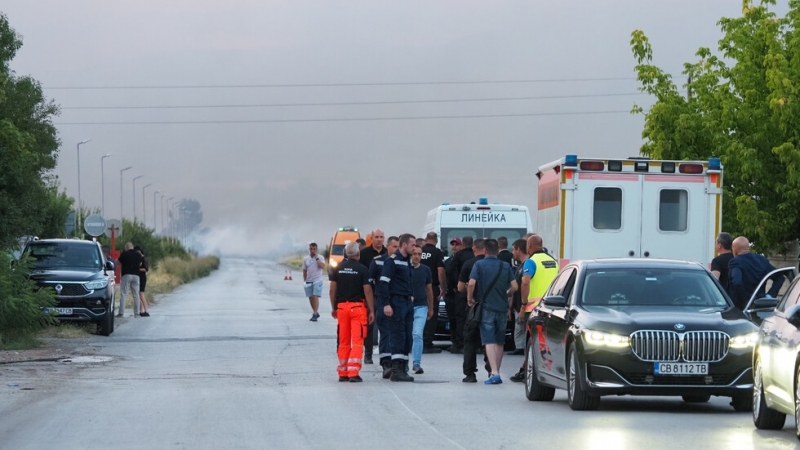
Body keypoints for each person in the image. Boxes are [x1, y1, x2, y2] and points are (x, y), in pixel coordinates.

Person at [468, 238, 517, 384]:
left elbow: (471, 283)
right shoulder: (505, 266)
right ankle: (497, 371)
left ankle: (494, 372)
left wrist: (470, 298)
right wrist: (507, 293)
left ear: (484, 250)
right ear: (497, 250)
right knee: (500, 341)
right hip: (502, 307)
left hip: (487, 307)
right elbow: (515, 286)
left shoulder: (479, 264)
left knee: (488, 340)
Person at [329, 242, 375, 382]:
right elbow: (367, 290)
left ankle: (342, 372)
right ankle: (353, 372)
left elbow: (332, 290)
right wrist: (371, 310)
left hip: (342, 308)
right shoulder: (362, 269)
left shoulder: (338, 268)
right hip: (357, 308)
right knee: (357, 340)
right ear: (358, 253)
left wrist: (334, 307)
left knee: (343, 340)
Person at [377, 233, 416, 382]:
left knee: (407, 336)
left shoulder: (407, 261)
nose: (414, 247)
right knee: (398, 336)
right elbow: (383, 284)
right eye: (412, 245)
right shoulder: (392, 261)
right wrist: (386, 304)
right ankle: (396, 370)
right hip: (396, 302)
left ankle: (403, 368)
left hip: (407, 302)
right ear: (404, 244)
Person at [728, 236, 786, 310]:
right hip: (760, 306)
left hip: (741, 309)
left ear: (735, 251)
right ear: (749, 248)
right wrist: (769, 296)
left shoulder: (735, 262)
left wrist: (745, 303)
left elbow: (736, 282)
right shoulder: (762, 260)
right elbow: (780, 277)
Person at [369, 236, 399, 378]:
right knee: (385, 333)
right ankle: (386, 364)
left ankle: (398, 363)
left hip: (398, 301)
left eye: (398, 246)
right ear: (388, 246)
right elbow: (370, 281)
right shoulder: (378, 261)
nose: (396, 249)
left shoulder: (402, 261)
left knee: (398, 334)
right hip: (382, 301)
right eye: (394, 246)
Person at [459, 238, 487, 382]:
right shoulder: (496, 264)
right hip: (490, 306)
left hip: (473, 307)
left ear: (474, 250)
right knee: (489, 339)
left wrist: (469, 297)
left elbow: (461, 286)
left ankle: (470, 373)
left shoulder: (469, 264)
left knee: (470, 339)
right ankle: (491, 369)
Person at [359, 229, 388, 365]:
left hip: (384, 294)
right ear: (372, 238)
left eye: (381, 237)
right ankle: (368, 354)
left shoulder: (387, 253)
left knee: (385, 325)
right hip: (369, 293)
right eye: (376, 237)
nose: (379, 239)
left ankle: (386, 354)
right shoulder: (364, 253)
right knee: (370, 325)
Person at [420, 231, 445, 353]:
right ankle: (427, 343)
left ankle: (419, 341)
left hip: (418, 287)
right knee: (431, 313)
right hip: (432, 287)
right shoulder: (437, 252)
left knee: (419, 313)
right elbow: (440, 271)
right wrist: (443, 287)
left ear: (426, 239)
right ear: (435, 240)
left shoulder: (420, 251)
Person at [509, 238, 531, 381]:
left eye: (513, 249)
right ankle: (525, 369)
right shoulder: (522, 266)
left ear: (518, 249)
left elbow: (523, 285)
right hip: (522, 307)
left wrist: (523, 306)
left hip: (527, 307)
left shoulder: (527, 266)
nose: (512, 252)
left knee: (525, 342)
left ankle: (526, 370)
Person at [410, 246, 434, 374]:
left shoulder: (426, 270)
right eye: (414, 254)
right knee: (405, 335)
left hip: (421, 306)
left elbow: (429, 289)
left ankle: (416, 363)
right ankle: (401, 362)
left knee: (417, 334)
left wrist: (431, 307)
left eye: (419, 254)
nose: (417, 256)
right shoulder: (405, 268)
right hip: (406, 306)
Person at [451, 236, 475, 354]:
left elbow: (452, 272)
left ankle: (460, 343)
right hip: (476, 291)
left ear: (463, 244)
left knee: (460, 317)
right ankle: (475, 343)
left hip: (461, 291)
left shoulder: (458, 256)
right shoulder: (475, 256)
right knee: (474, 318)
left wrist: (455, 287)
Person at [444, 237, 463, 352]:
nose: (454, 247)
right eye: (452, 245)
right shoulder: (447, 262)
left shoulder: (462, 259)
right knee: (452, 319)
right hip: (450, 294)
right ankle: (454, 341)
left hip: (460, 294)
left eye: (456, 244)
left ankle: (460, 342)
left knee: (460, 319)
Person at [117, 242, 144, 318]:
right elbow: (140, 264)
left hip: (126, 275)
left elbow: (118, 262)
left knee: (124, 294)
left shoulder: (124, 254)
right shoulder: (138, 254)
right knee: (136, 295)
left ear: (126, 247)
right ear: (132, 247)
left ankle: (121, 313)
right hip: (136, 275)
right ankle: (137, 313)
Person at [302, 242, 326, 321]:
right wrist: (305, 280)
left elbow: (322, 266)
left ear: (317, 249)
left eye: (314, 249)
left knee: (315, 296)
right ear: (309, 249)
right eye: (311, 249)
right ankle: (315, 311)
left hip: (317, 280)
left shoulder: (320, 257)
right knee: (311, 297)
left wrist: (316, 258)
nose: (313, 251)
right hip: (309, 280)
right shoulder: (306, 259)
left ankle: (315, 314)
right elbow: (304, 270)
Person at [135, 246, 150, 317]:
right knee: (138, 294)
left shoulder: (144, 259)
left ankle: (146, 310)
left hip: (142, 277)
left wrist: (137, 269)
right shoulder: (137, 258)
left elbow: (146, 269)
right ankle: (141, 310)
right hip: (137, 277)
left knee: (141, 294)